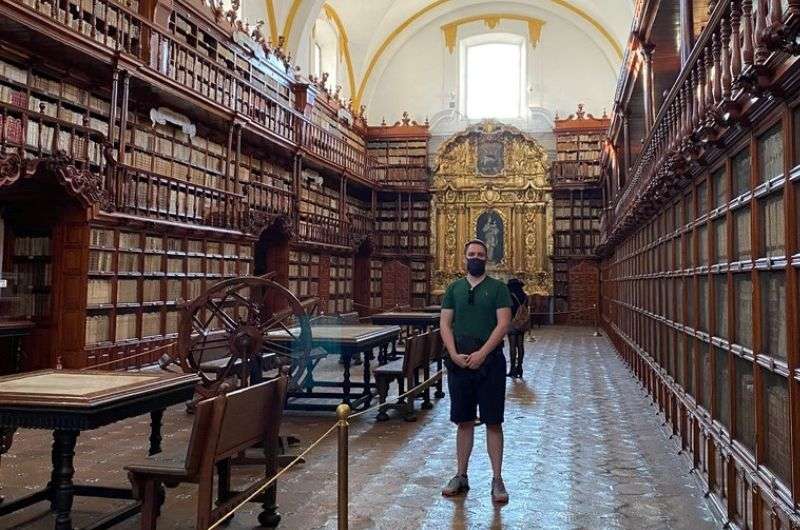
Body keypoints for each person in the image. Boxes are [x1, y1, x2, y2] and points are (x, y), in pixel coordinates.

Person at [439, 239, 512, 504]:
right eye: (471, 254)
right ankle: (461, 475)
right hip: (460, 361)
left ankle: (497, 478)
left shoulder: (498, 289)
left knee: (493, 421)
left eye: (480, 254)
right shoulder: (454, 288)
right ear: (464, 258)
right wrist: (453, 354)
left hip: (489, 362)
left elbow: (503, 324)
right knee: (464, 420)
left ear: (486, 259)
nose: (476, 258)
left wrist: (482, 353)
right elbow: (445, 323)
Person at [506, 278, 529, 379]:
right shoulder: (525, 296)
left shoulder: (510, 296)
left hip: (512, 323)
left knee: (512, 346)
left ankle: (512, 369)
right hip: (521, 323)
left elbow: (508, 310)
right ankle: (520, 367)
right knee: (520, 345)